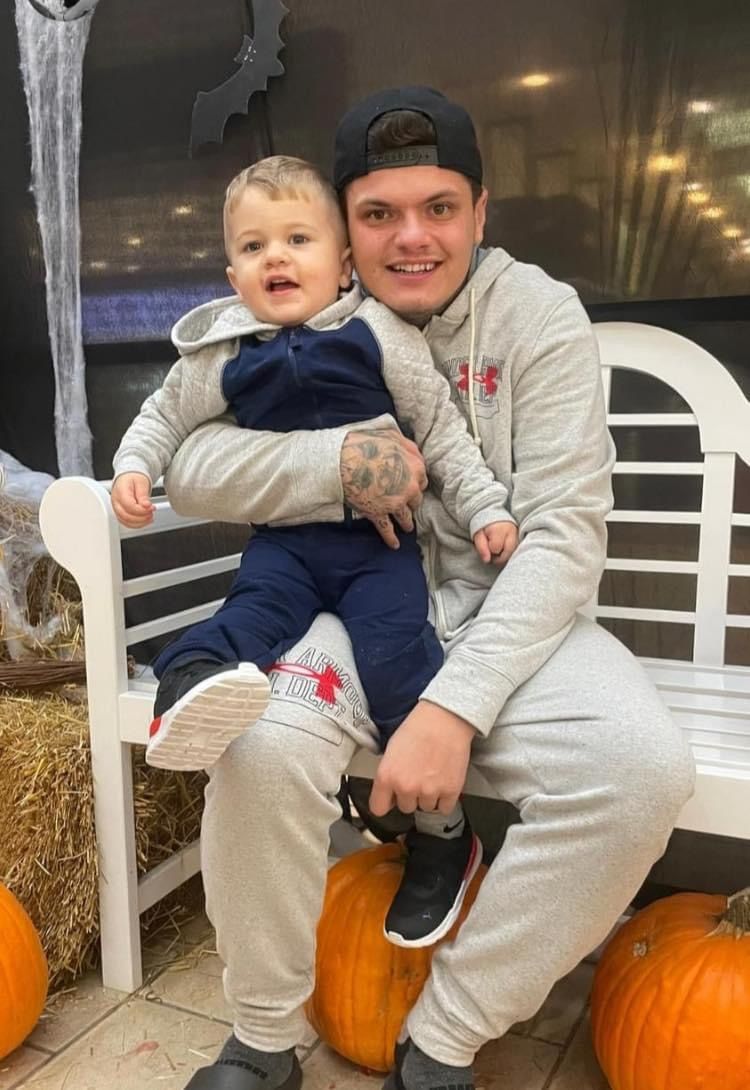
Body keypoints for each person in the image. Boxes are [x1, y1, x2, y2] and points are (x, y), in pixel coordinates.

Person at [161, 88, 694, 1090]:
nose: (412, 238)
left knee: (639, 771)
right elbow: (188, 467)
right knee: (263, 746)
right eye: (379, 214)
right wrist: (336, 466)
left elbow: (565, 533)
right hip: (347, 607)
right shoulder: (284, 316)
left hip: (513, 623)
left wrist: (453, 706)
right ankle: (263, 1039)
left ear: (480, 211)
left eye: (439, 207)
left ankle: (443, 1039)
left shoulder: (537, 315)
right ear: (341, 228)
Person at [111, 154, 517, 949]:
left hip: (377, 547)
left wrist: (486, 509)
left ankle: (440, 829)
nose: (277, 258)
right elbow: (164, 418)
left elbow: (442, 432)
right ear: (234, 276)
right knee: (249, 616)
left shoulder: (379, 334)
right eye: (255, 247)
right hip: (286, 546)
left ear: (343, 264)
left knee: (397, 656)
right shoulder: (222, 355)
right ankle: (189, 685)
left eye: (298, 239)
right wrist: (133, 466)